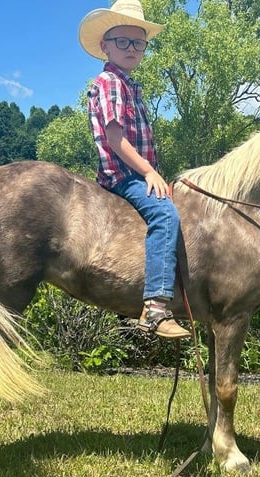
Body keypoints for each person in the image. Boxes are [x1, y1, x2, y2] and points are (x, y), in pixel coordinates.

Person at [79, 0, 190, 339]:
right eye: (122, 41)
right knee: (166, 216)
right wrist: (150, 173)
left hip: (135, 173)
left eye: (137, 42)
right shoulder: (111, 82)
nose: (131, 48)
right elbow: (115, 139)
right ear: (105, 46)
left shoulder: (128, 84)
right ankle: (155, 308)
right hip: (124, 176)